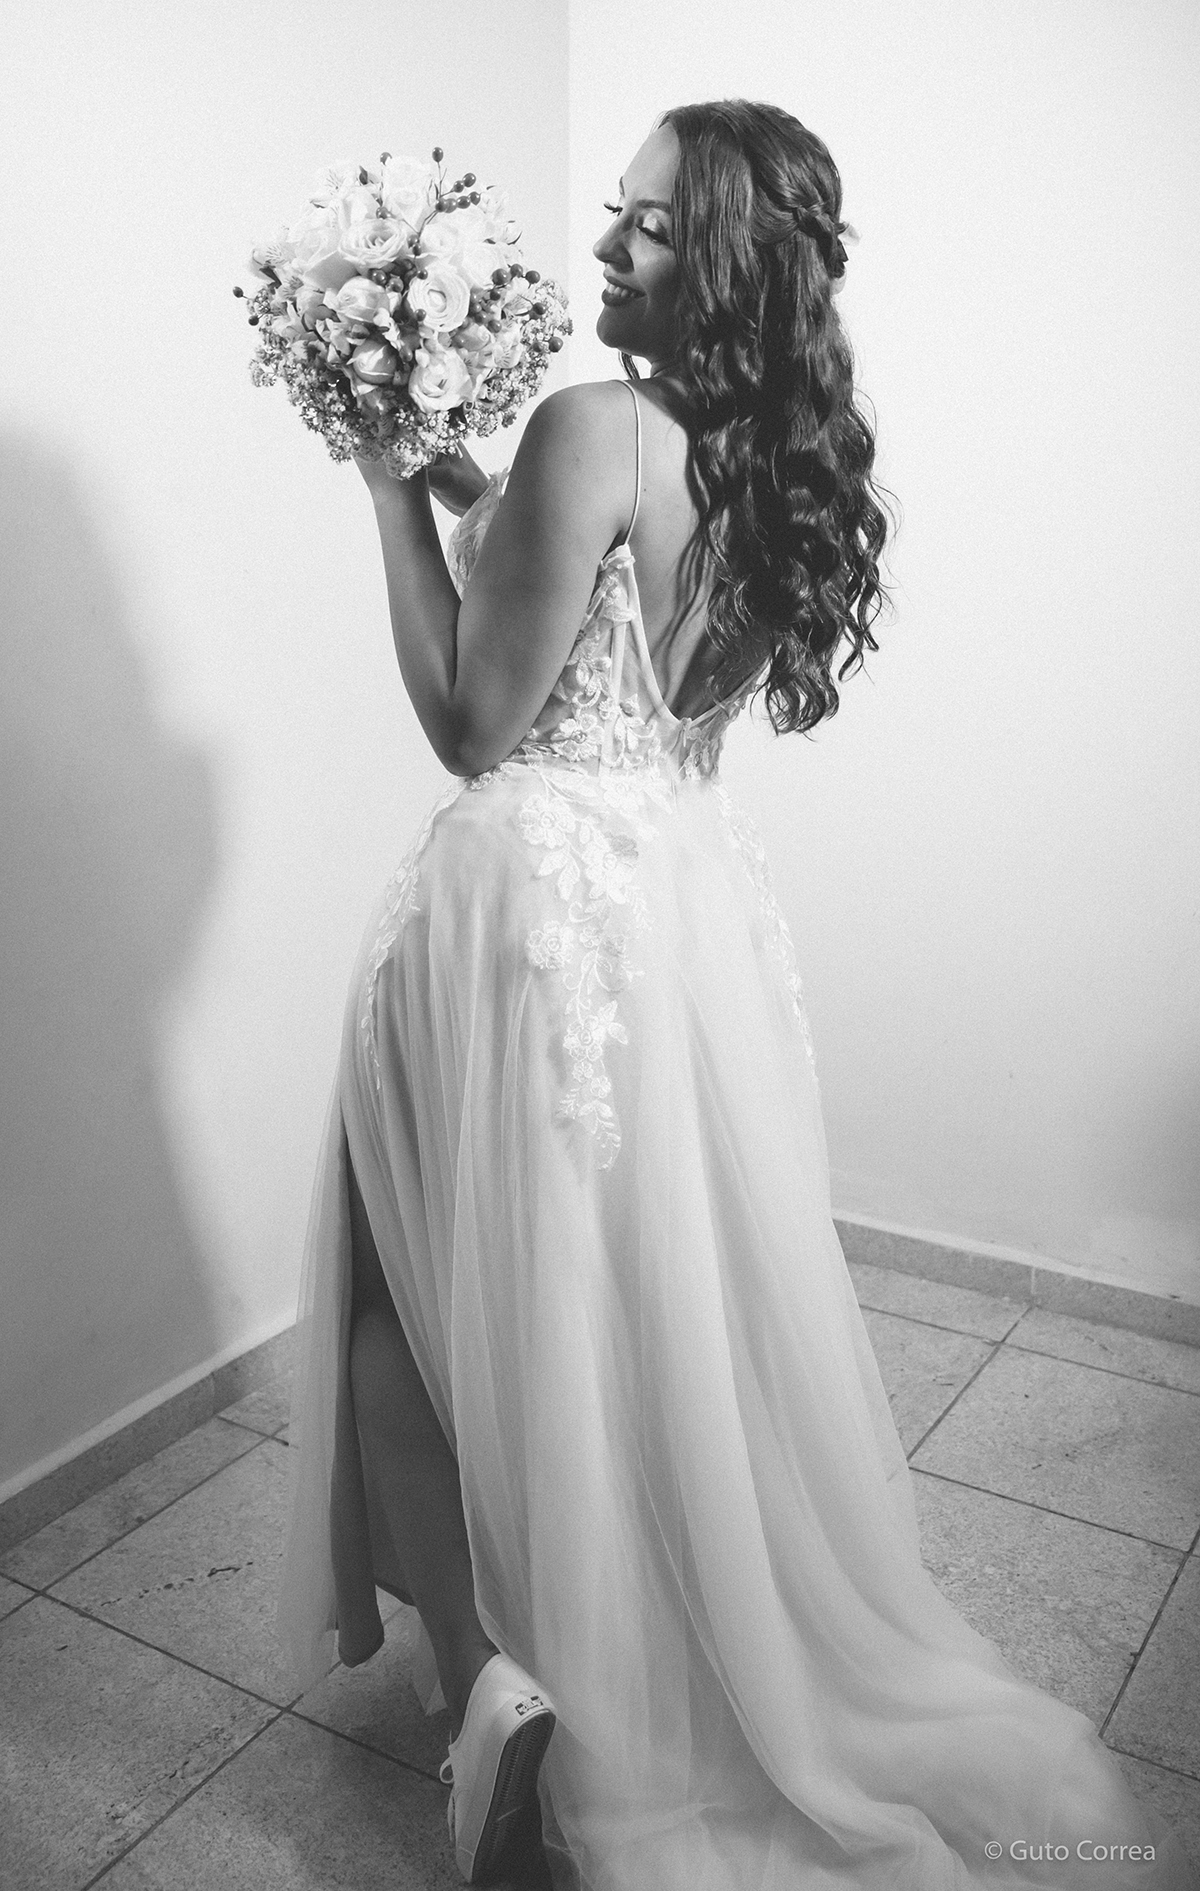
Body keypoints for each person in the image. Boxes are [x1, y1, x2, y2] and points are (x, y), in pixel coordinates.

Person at [279, 101, 1195, 1891]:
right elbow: (604, 611)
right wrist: (469, 484)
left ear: (716, 261)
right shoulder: (787, 456)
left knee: (401, 1294)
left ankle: (497, 1695)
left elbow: (474, 719)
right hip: (680, 914)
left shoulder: (587, 426)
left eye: (642, 224)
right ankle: (660, 1643)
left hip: (525, 910)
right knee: (625, 1307)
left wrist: (386, 489)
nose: (603, 246)